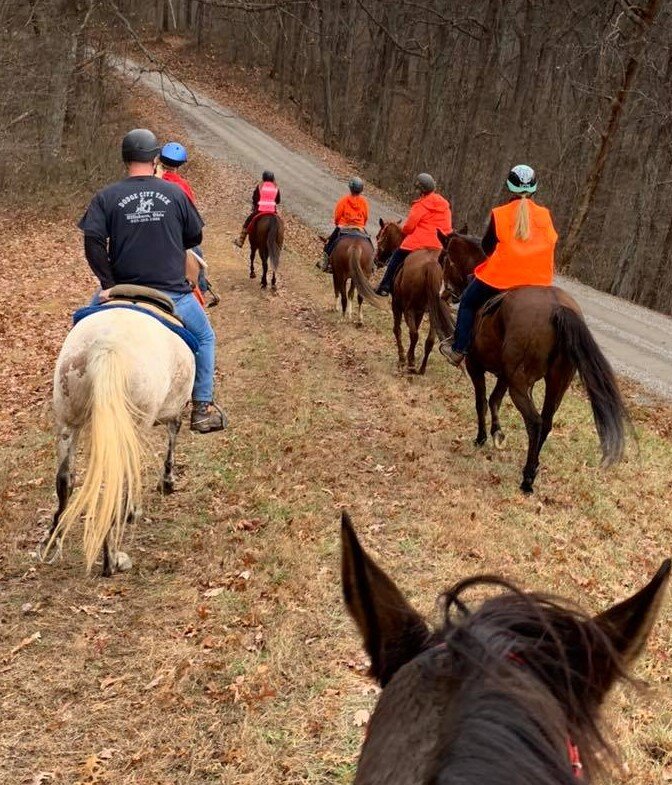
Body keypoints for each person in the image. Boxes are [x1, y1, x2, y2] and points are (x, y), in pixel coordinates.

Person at [78, 128, 226, 434]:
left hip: (120, 289)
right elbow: (194, 237)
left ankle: (79, 392)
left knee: (80, 329)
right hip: (172, 294)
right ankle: (201, 407)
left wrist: (106, 283)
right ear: (155, 158)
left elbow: (92, 239)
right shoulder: (176, 194)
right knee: (207, 337)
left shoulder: (106, 196)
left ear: (124, 159)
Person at [440, 164, 558, 366]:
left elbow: (487, 247)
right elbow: (551, 242)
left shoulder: (500, 213)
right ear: (534, 188)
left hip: (503, 278)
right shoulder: (545, 215)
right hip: (539, 281)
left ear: (509, 187)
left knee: (467, 300)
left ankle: (459, 348)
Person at [374, 173, 452, 296]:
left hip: (419, 244)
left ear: (421, 190)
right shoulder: (445, 205)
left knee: (396, 257)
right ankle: (447, 294)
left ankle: (385, 286)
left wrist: (404, 230)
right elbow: (448, 227)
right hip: (440, 246)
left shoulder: (420, 205)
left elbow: (409, 228)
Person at [156, 141, 208, 295]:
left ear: (160, 160)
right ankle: (202, 287)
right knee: (197, 253)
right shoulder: (183, 186)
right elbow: (191, 218)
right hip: (176, 237)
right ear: (179, 165)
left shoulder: (150, 180)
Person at [317, 177, 370, 271]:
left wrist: (338, 224)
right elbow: (366, 217)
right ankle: (371, 264)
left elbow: (337, 216)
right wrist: (361, 225)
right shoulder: (364, 202)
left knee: (330, 243)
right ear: (361, 189)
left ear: (350, 188)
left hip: (343, 226)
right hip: (359, 227)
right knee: (369, 244)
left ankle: (325, 262)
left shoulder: (344, 200)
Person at [233, 170, 281, 248]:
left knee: (248, 222)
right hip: (273, 211)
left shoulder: (260, 186)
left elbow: (255, 198)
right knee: (279, 224)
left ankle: (241, 241)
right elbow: (278, 201)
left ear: (263, 178)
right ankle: (279, 244)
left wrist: (256, 204)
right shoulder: (276, 188)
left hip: (260, 210)